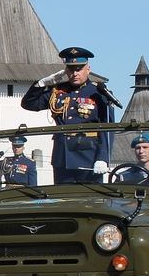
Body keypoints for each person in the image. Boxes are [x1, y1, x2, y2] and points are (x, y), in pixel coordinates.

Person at [21, 47, 121, 183]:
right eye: (71, 69)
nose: (75, 73)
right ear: (66, 70)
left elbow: (107, 129)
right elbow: (29, 104)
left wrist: (103, 157)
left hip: (89, 158)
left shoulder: (98, 93)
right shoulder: (57, 91)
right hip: (62, 159)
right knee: (63, 200)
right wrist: (42, 83)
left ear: (88, 69)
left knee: (90, 202)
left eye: (79, 69)